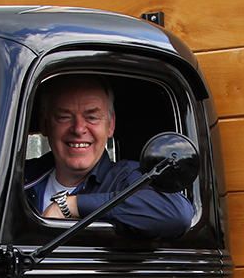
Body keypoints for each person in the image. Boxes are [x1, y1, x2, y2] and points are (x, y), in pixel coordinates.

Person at [22, 76, 194, 238]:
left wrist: (69, 206)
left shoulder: (125, 177)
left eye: (92, 117)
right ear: (45, 125)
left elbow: (177, 213)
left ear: (110, 126)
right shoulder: (21, 176)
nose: (78, 129)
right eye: (64, 117)